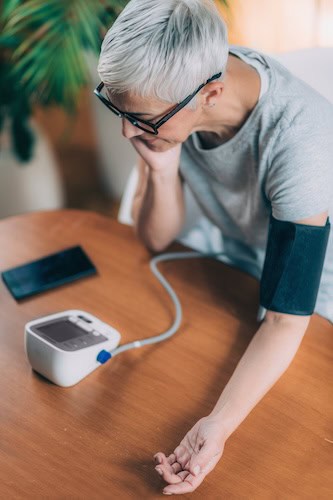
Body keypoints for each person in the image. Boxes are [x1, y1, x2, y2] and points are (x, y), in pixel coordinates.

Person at [96, 0, 333, 495]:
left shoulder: (303, 145)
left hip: (313, 303)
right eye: (116, 109)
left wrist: (218, 424)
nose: (127, 131)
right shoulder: (173, 87)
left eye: (141, 120)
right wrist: (161, 169)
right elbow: (157, 239)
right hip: (231, 265)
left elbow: (286, 318)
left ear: (212, 94)